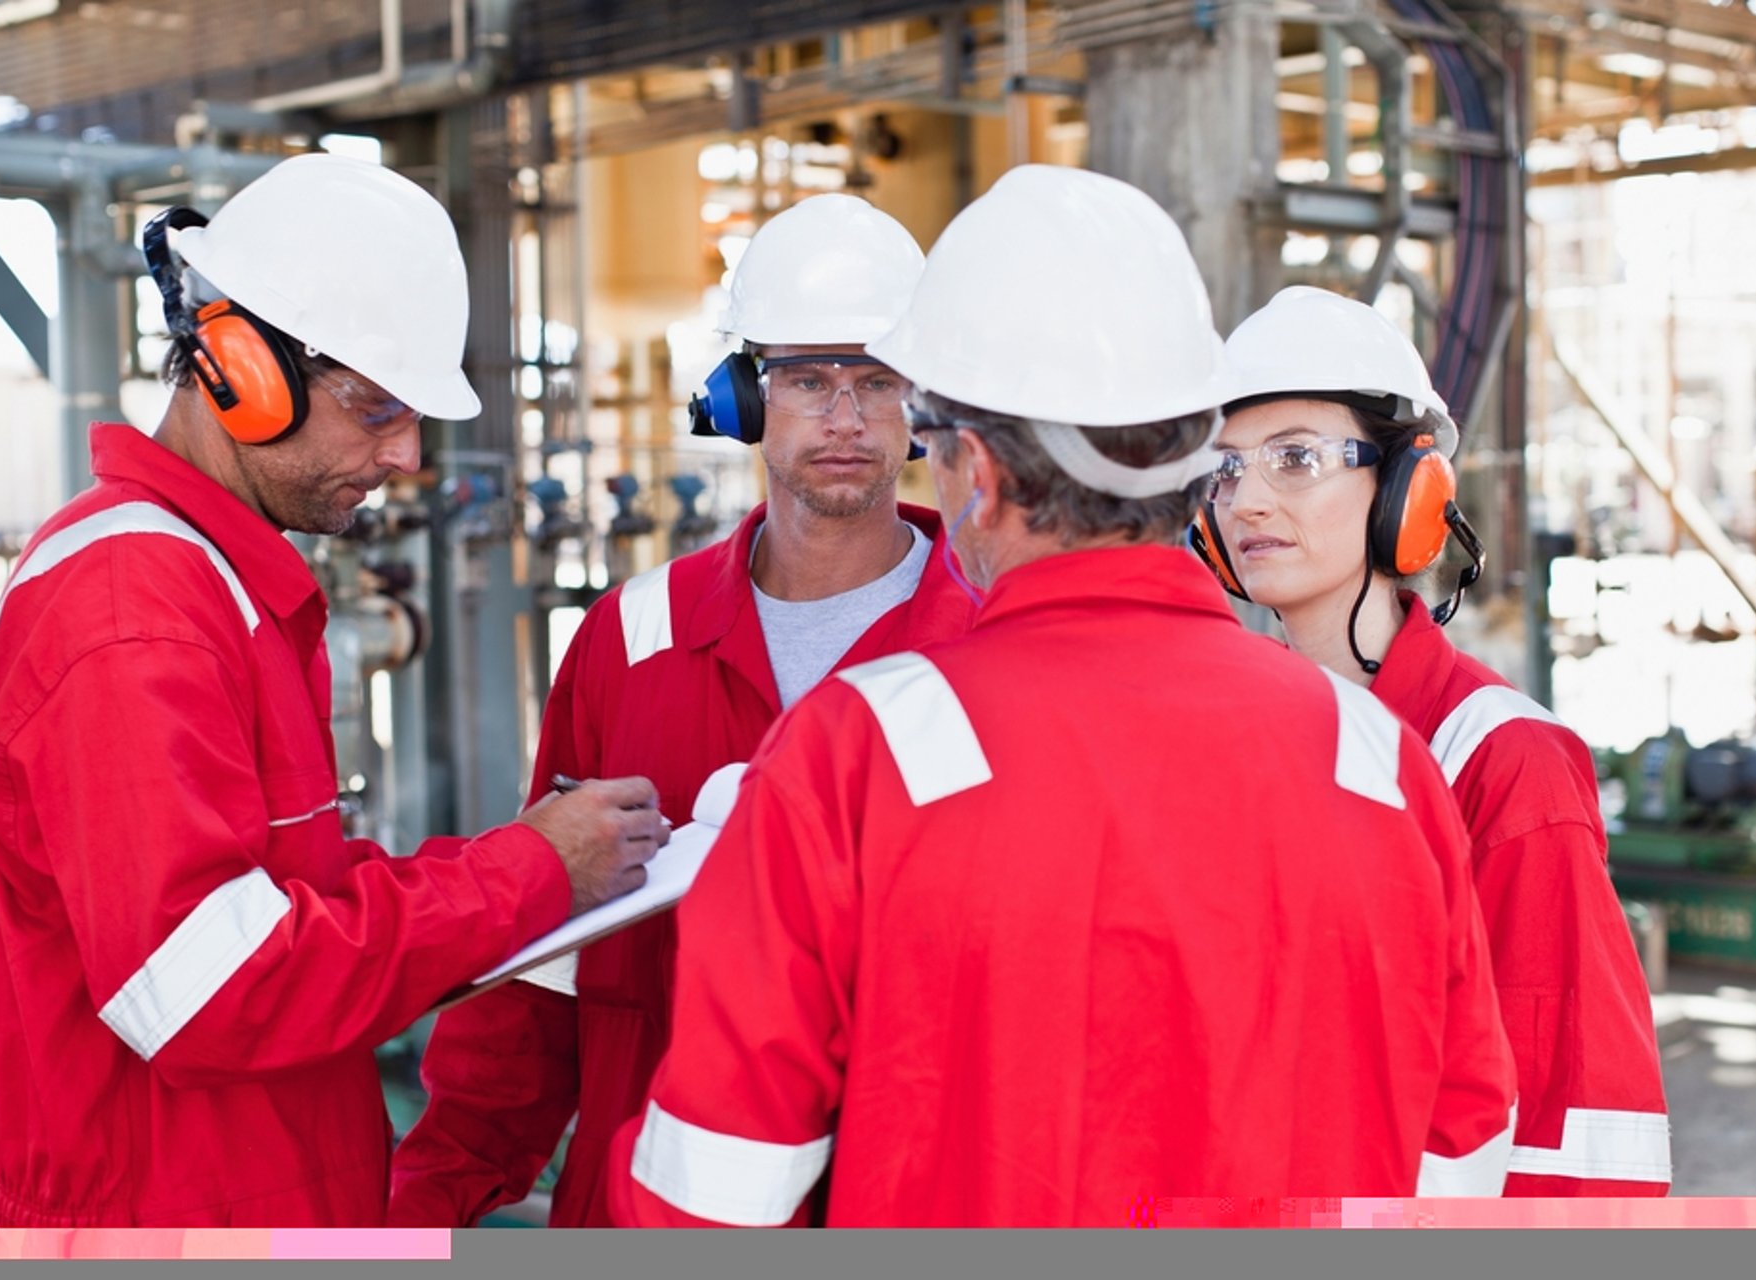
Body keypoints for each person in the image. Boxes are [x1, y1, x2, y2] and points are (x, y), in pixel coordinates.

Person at [599, 165, 1518, 1228]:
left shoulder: (852, 756)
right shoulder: (1379, 757)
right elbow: (1461, 1151)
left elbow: (709, 1198)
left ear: (979, 473)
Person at [0, 152, 668, 1228]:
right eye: (376, 407)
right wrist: (527, 874)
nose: (407, 454)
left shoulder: (214, 583)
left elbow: (288, 901)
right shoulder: (133, 609)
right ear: (239, 366)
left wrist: (523, 867)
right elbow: (211, 989)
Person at [388, 193, 978, 1227]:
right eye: (808, 379)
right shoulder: (632, 638)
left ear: (923, 405)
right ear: (744, 396)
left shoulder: (988, 644)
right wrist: (428, 1205)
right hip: (646, 1205)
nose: (845, 417)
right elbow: (544, 958)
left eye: (878, 380)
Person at [1192, 284, 1670, 1195]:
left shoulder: (1501, 760)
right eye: (1224, 469)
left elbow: (1579, 1129)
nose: (1246, 499)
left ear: (1408, 490)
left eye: (1294, 458)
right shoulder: (1224, 749)